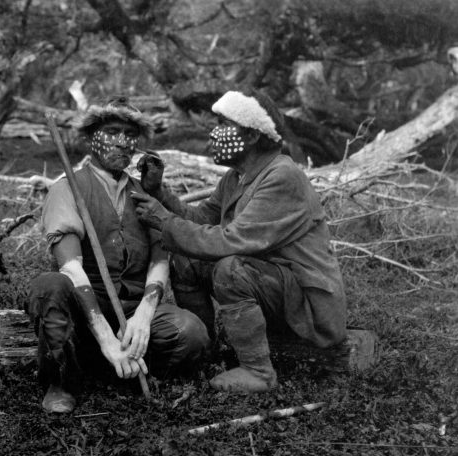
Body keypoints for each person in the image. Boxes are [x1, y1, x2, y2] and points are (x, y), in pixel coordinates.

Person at [131, 89, 347, 394]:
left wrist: (163, 221)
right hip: (275, 287)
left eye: (223, 123)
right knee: (185, 260)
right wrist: (161, 194)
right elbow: (201, 219)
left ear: (253, 135)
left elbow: (231, 241)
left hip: (309, 306)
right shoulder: (237, 177)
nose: (214, 132)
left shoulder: (282, 176)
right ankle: (207, 350)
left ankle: (259, 372)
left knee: (230, 269)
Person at [27, 96, 210, 413]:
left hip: (132, 308)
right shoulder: (67, 188)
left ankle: (115, 364)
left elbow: (159, 258)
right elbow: (71, 269)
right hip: (85, 312)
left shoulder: (143, 193)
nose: (124, 142)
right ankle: (62, 381)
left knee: (191, 333)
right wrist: (107, 338)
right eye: (113, 131)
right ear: (90, 137)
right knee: (49, 286)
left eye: (130, 135)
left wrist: (144, 315)